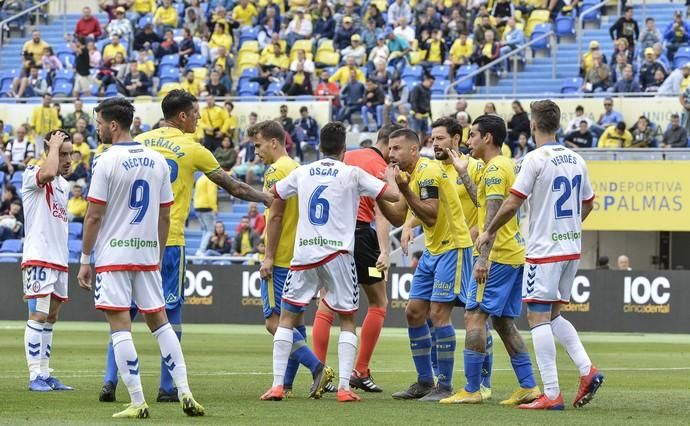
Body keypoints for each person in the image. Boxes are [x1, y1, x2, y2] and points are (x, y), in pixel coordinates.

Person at [98, 90, 272, 403]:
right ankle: (167, 388)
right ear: (182, 116)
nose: (198, 118)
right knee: (170, 312)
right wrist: (265, 198)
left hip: (130, 241)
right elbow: (232, 186)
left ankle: (110, 381)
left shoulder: (139, 142)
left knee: (123, 315)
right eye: (194, 113)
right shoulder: (193, 149)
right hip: (170, 242)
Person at [77, 98, 204, 419]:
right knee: (162, 324)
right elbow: (165, 216)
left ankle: (137, 400)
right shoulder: (157, 160)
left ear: (114, 125)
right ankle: (185, 392)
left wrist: (84, 258)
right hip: (148, 254)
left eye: (99, 123)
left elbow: (93, 216)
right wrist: (158, 254)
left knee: (120, 327)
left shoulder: (105, 160)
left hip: (114, 255)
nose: (98, 129)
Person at [475, 99, 604, 410]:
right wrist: (569, 226)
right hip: (571, 248)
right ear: (557, 125)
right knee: (554, 314)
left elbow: (511, 203)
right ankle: (588, 370)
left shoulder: (534, 159)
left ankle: (551, 392)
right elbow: (588, 204)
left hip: (544, 250)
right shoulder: (576, 158)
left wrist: (489, 231)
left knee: (536, 316)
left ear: (532, 125)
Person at [260, 122, 399, 403]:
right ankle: (345, 389)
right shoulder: (352, 173)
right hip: (338, 254)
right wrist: (392, 177)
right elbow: (393, 197)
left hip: (304, 255)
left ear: (319, 147)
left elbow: (273, 194)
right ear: (344, 149)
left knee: (286, 319)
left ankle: (277, 386)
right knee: (347, 319)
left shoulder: (302, 172)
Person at [440, 115, 538, 405]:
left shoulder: (496, 169)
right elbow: (483, 203)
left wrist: (482, 259)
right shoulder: (497, 165)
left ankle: (471, 388)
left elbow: (493, 215)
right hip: (512, 253)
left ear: (487, 138)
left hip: (496, 256)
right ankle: (529, 385)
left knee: (474, 316)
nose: (468, 141)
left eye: (472, 135)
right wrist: (463, 172)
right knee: (504, 322)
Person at [375, 127, 472, 401]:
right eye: (389, 148)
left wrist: (403, 188)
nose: (391, 153)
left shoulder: (427, 172)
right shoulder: (410, 175)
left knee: (439, 314)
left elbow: (429, 216)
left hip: (453, 247)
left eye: (397, 148)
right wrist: (378, 194)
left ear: (414, 150)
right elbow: (397, 218)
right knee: (414, 313)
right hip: (433, 250)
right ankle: (424, 381)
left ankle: (444, 385)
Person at [311, 124, 401, 394]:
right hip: (360, 238)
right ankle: (360, 371)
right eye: (394, 148)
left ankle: (319, 371)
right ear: (386, 144)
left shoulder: (348, 157)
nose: (395, 155)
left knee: (327, 302)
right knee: (378, 301)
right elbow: (383, 214)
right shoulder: (379, 167)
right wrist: (384, 251)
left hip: (332, 238)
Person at [250, 120, 334, 398]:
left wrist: (269, 256)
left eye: (259, 145)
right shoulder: (299, 169)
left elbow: (275, 215)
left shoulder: (276, 171)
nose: (256, 152)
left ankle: (318, 368)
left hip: (283, 257)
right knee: (295, 323)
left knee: (275, 323)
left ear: (274, 142)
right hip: (301, 256)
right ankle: (285, 384)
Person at [21, 130, 74, 393]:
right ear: (50, 150)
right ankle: (34, 377)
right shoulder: (32, 173)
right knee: (38, 314)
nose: (67, 159)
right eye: (62, 153)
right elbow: (48, 172)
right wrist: (53, 147)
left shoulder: (65, 186)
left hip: (58, 259)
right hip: (39, 255)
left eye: (70, 154)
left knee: (51, 317)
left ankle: (45, 373)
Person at [193, 175, 217, 255]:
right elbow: (212, 194)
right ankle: (201, 250)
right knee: (210, 230)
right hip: (207, 207)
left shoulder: (200, 178)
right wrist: (214, 208)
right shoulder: (211, 179)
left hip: (197, 206)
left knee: (205, 230)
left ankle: (201, 249)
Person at [409, 75, 434, 140]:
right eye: (431, 82)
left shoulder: (429, 90)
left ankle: (421, 147)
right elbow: (413, 101)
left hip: (425, 115)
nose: (432, 85)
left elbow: (428, 103)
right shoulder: (417, 88)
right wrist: (416, 112)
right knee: (415, 133)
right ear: (426, 80)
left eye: (433, 83)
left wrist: (430, 115)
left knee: (424, 132)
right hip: (416, 115)